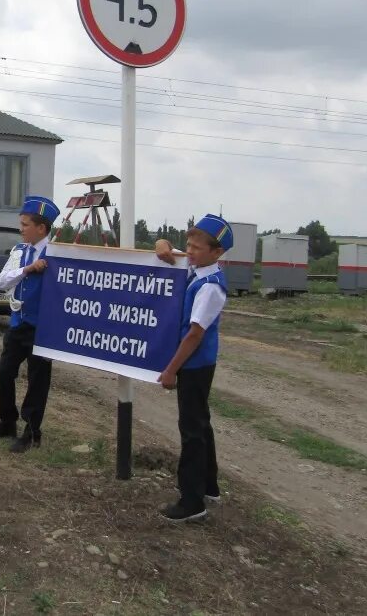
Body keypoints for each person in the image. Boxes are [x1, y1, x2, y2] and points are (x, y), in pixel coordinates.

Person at [154, 214, 233, 522]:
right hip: (197, 362)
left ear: (217, 253)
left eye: (196, 247)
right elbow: (166, 249)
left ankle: (191, 501)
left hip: (195, 364)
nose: (189, 251)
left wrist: (172, 369)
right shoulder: (197, 267)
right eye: (188, 245)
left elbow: (195, 333)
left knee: (191, 430)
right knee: (201, 422)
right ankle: (209, 485)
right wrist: (163, 244)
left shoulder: (210, 287)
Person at [0, 196, 59, 452]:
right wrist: (27, 270)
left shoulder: (58, 254)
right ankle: (7, 421)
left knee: (37, 381)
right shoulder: (19, 251)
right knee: (4, 373)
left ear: (41, 228)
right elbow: (2, 282)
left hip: (42, 328)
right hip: (18, 323)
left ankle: (32, 431)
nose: (21, 229)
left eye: (25, 224)